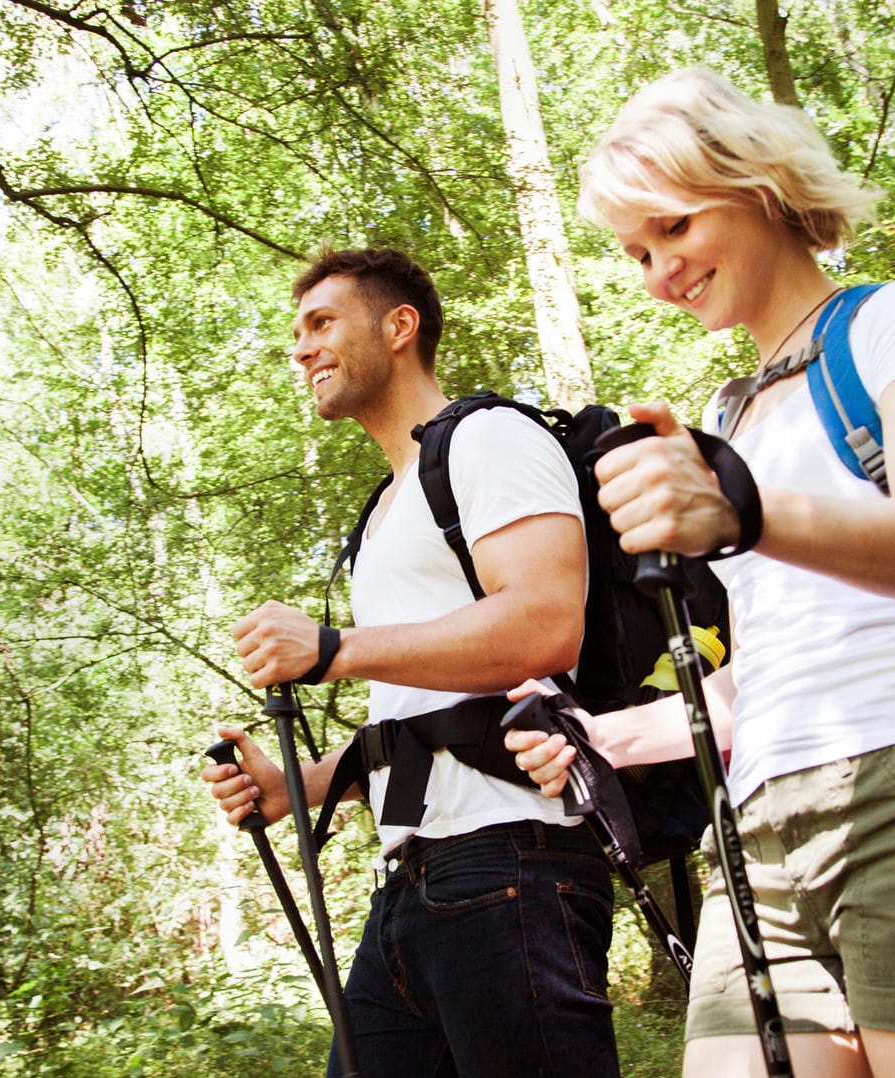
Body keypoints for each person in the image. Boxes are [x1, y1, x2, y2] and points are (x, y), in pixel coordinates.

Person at [502, 68, 895, 1078]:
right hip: (760, 835)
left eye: (674, 228)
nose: (658, 271)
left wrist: (741, 512)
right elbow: (766, 672)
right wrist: (597, 736)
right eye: (637, 253)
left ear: (757, 183)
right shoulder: (736, 413)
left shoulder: (893, 322)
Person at [200, 247, 619, 1078]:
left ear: (399, 327)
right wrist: (305, 785)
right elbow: (424, 723)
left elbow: (544, 626)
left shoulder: (488, 439)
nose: (301, 348)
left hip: (512, 862)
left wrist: (335, 651)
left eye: (322, 323)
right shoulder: (383, 514)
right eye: (297, 332)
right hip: (410, 885)